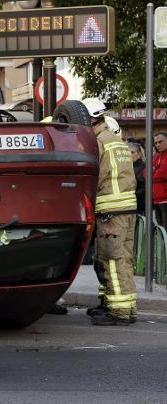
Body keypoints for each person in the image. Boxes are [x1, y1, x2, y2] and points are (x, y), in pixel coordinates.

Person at [82, 98, 137, 326]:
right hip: (126, 207)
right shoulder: (117, 140)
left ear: (90, 118)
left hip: (110, 210)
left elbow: (97, 177)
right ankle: (128, 308)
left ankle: (119, 312)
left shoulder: (98, 143)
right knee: (124, 258)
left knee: (112, 259)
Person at [153, 132, 167, 226]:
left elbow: (163, 173)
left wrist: (154, 172)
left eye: (160, 142)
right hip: (156, 198)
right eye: (156, 143)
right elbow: (146, 172)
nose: (158, 145)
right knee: (160, 228)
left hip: (165, 199)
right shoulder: (158, 156)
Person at [127, 139, 145, 214]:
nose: (130, 154)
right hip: (132, 204)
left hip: (139, 205)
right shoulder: (129, 167)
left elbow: (142, 188)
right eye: (128, 152)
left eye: (132, 152)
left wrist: (132, 196)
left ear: (139, 154)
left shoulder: (141, 167)